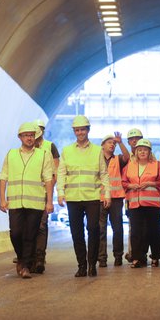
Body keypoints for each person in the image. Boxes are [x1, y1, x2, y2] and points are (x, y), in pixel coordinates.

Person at [57, 115, 110, 277]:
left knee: (93, 229)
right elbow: (61, 173)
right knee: (76, 232)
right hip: (73, 198)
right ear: (74, 131)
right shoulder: (67, 151)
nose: (80, 132)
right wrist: (60, 192)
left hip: (92, 197)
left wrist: (107, 194)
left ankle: (92, 264)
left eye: (83, 129)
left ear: (88, 130)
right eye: (77, 130)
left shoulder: (97, 151)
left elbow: (104, 174)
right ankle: (81, 265)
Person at [0, 122, 55, 279]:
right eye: (26, 135)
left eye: (32, 135)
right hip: (15, 202)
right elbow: (3, 177)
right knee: (15, 233)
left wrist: (49, 201)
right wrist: (2, 199)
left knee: (30, 235)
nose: (29, 138)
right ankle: (22, 259)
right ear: (20, 137)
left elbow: (48, 179)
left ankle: (24, 266)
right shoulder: (11, 154)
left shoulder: (43, 154)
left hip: (35, 202)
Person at [122, 139, 160, 268]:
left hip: (152, 204)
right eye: (139, 150)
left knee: (153, 231)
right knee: (136, 232)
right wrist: (131, 185)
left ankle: (155, 257)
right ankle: (137, 258)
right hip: (135, 204)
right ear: (135, 151)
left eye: (145, 150)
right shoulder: (130, 165)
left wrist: (150, 183)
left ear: (149, 152)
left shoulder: (156, 164)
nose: (142, 152)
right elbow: (123, 183)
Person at [31, 119, 60, 274]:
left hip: (43, 192)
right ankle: (29, 257)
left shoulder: (50, 147)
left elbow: (55, 171)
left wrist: (50, 191)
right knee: (29, 226)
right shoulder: (26, 148)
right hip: (29, 193)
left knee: (41, 225)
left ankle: (40, 258)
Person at [98, 132, 130, 267]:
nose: (112, 145)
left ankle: (118, 256)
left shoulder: (118, 159)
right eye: (110, 142)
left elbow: (127, 157)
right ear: (103, 145)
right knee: (100, 229)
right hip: (100, 198)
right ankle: (102, 258)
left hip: (116, 198)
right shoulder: (96, 159)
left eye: (114, 143)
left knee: (117, 228)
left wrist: (121, 142)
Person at [123, 128, 144, 263]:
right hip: (130, 198)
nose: (134, 141)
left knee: (145, 227)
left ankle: (142, 253)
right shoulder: (126, 159)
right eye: (131, 139)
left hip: (146, 199)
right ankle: (133, 253)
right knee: (133, 227)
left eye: (137, 138)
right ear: (129, 142)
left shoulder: (149, 157)